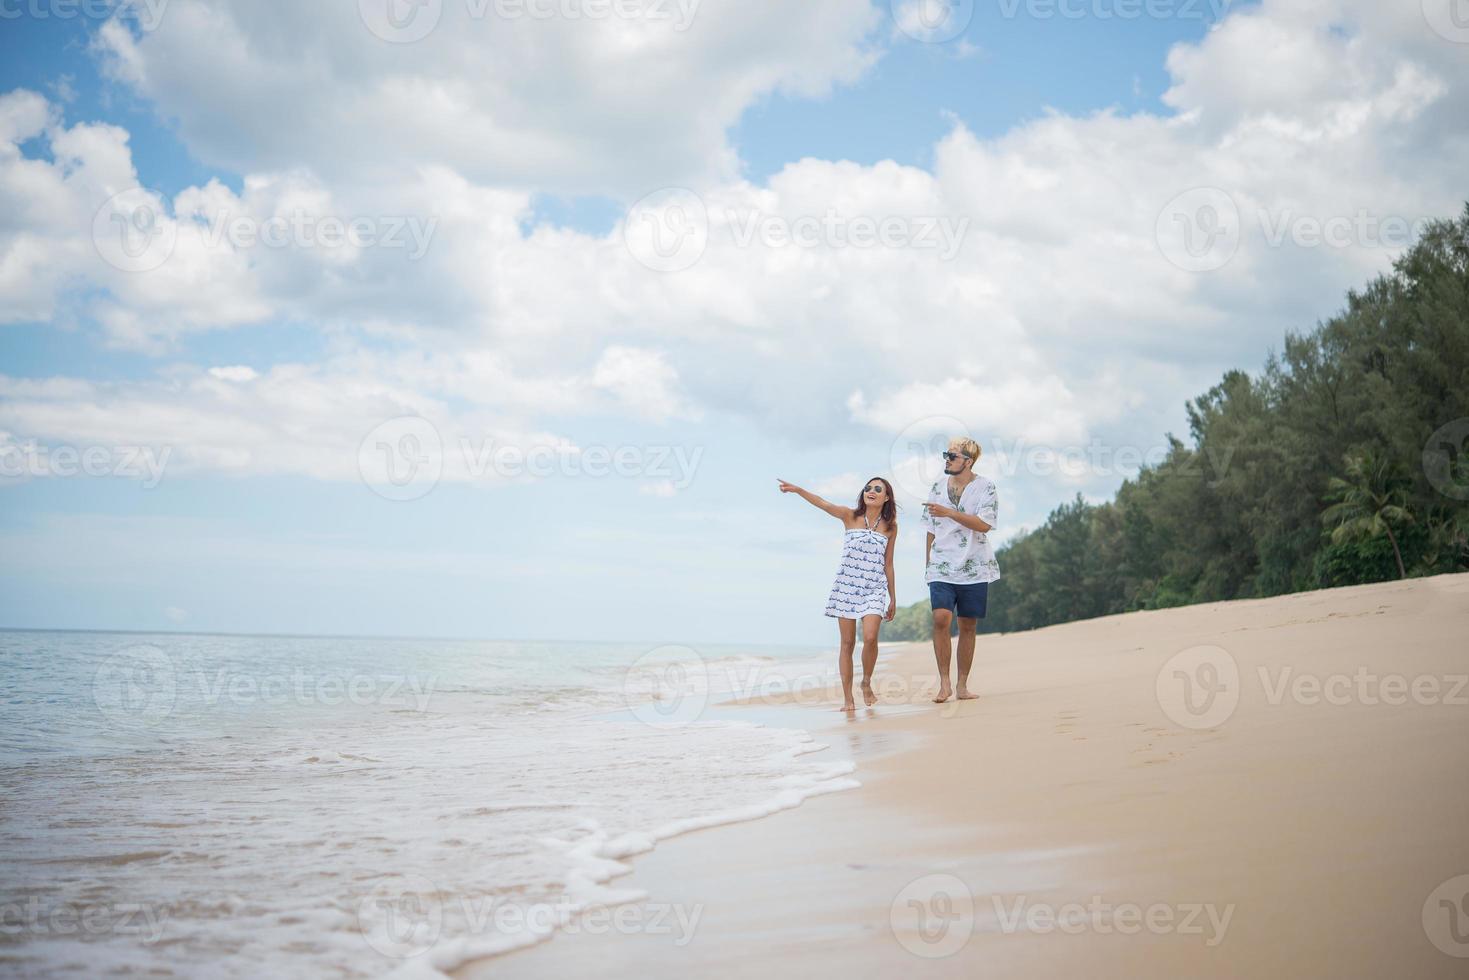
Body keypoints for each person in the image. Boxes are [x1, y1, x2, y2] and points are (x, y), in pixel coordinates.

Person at [777, 477, 898, 711]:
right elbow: (822, 503)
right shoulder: (849, 516)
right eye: (868, 488)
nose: (870, 491)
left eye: (877, 489)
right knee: (847, 643)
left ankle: (866, 682)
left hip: (874, 587)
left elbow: (889, 563)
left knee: (871, 637)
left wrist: (893, 597)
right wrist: (799, 489)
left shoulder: (890, 526)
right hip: (847, 587)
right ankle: (848, 700)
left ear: (886, 497)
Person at [921, 437, 1000, 703]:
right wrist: (928, 564)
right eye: (946, 454)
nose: (946, 458)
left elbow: (984, 525)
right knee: (941, 619)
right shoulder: (936, 487)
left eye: (951, 455)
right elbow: (930, 529)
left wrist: (950, 513)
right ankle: (944, 684)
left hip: (975, 566)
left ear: (968, 461)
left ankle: (962, 685)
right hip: (941, 566)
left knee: (968, 625)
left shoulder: (986, 487)